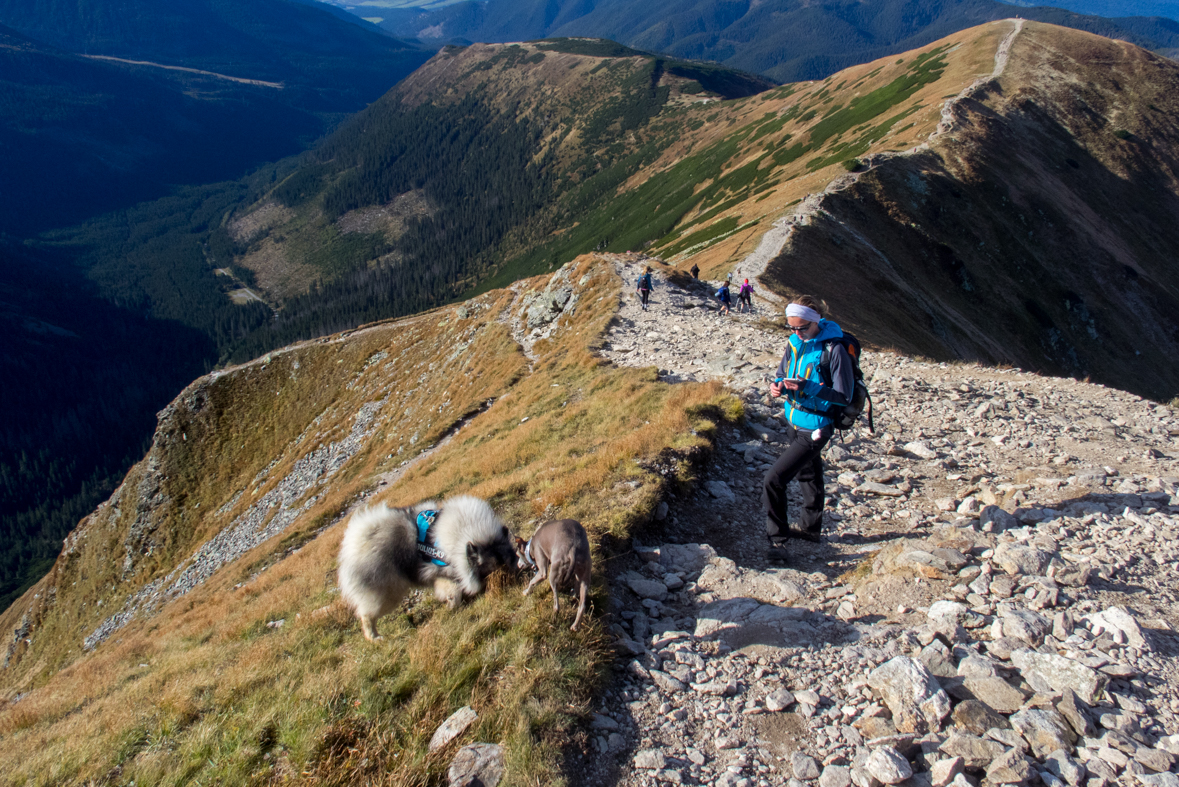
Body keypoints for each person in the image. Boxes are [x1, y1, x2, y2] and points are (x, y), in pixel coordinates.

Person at [762, 296, 854, 563]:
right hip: (793, 418)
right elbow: (781, 372)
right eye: (791, 327)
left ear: (816, 322)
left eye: (801, 328)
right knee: (809, 473)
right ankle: (811, 529)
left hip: (816, 426)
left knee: (773, 480)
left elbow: (844, 396)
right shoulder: (793, 343)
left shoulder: (833, 350)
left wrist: (807, 387)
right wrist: (777, 386)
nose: (796, 333)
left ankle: (777, 542)